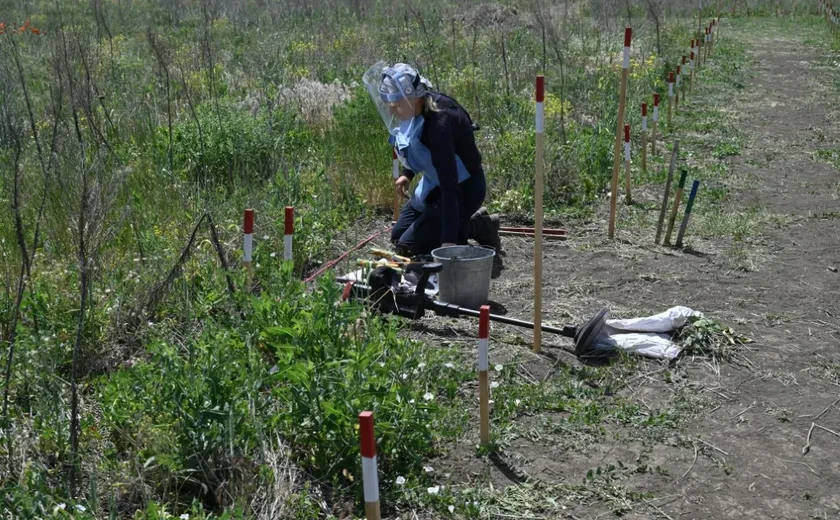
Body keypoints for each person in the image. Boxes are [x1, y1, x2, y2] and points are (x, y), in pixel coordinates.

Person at [363, 62, 500, 257]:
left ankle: (475, 228)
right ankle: (468, 225)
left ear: (415, 98)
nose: (392, 111)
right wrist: (407, 174)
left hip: (463, 189)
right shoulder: (413, 111)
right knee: (398, 235)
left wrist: (448, 243)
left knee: (409, 246)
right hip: (435, 184)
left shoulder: (440, 125)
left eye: (396, 105)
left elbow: (450, 185)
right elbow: (416, 146)